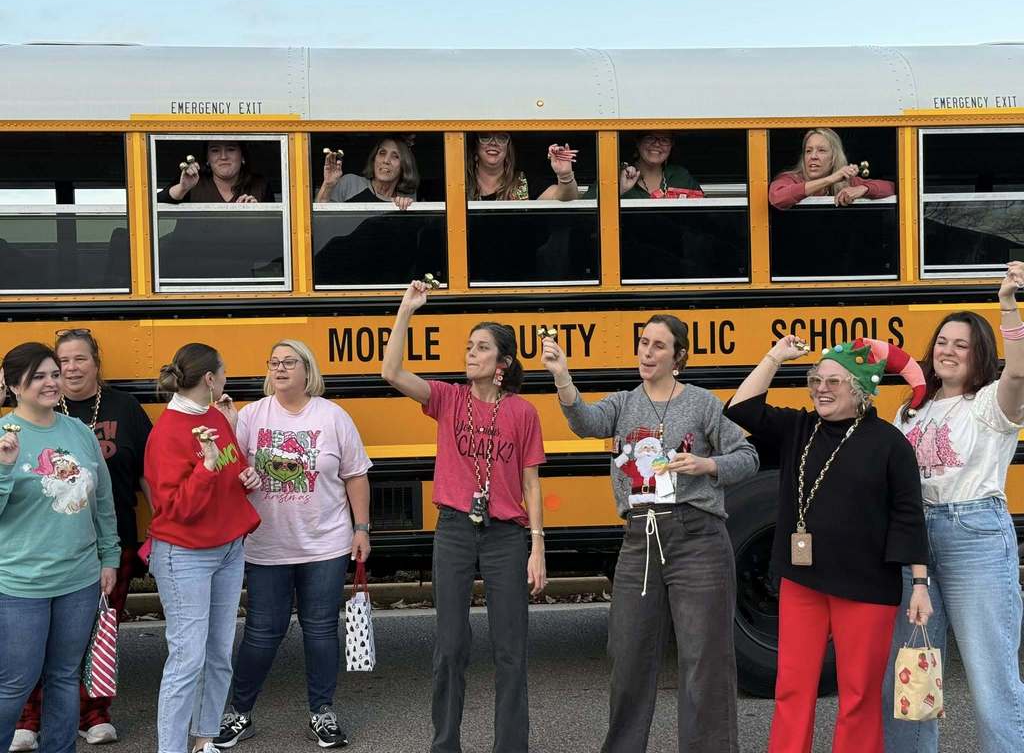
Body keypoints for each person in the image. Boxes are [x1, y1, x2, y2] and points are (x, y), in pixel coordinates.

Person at [542, 314, 757, 753]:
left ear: (679, 356)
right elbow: (584, 421)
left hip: (697, 538)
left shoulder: (702, 404)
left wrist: (707, 464)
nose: (647, 352)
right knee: (628, 656)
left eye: (659, 345)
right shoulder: (623, 404)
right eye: (643, 342)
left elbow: (748, 455)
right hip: (640, 538)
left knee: (704, 661)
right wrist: (562, 375)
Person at [725, 336, 932, 753]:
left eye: (833, 381)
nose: (821, 388)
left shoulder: (890, 443)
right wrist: (774, 357)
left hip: (867, 588)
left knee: (858, 695)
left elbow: (908, 516)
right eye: (816, 380)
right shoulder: (799, 428)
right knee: (792, 687)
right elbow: (740, 408)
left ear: (859, 389)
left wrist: (920, 584)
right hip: (802, 582)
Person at [381, 280, 547, 753]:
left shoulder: (523, 412)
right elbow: (391, 372)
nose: (471, 354)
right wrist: (406, 310)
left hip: (506, 536)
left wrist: (537, 546)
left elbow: (532, 483)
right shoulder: (448, 399)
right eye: (469, 347)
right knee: (450, 646)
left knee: (511, 650)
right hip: (454, 529)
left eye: (482, 348)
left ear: (502, 363)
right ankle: (445, 745)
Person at [882, 263, 1024, 753]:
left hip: (974, 534)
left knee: (990, 677)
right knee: (912, 674)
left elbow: (1018, 371)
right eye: (942, 342)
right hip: (914, 541)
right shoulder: (909, 410)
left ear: (979, 354)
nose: (947, 350)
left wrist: (1007, 305)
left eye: (961, 345)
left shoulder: (990, 404)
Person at [213, 339, 372, 750]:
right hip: (266, 544)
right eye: (274, 362)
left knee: (320, 630)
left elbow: (355, 475)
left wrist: (361, 528)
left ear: (307, 370)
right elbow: (228, 469)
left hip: (326, 544)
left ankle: (322, 713)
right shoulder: (252, 415)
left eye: (289, 361)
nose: (280, 368)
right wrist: (227, 427)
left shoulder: (333, 416)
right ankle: (239, 713)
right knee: (262, 632)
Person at [9, 330, 152, 751]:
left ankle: (87, 721)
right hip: (27, 569)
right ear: (16, 384)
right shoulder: (14, 430)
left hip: (96, 556)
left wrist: (137, 538)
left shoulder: (107, 416)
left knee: (87, 648)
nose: (63, 374)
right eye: (52, 368)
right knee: (22, 666)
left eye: (75, 362)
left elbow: (133, 481)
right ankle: (24, 721)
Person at [0, 342, 119, 753]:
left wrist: (110, 556)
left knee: (65, 676)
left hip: (79, 578)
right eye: (39, 377)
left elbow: (102, 500)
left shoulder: (79, 432)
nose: (52, 382)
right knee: (16, 681)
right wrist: (4, 469)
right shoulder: (3, 436)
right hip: (20, 583)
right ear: (14, 385)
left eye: (54, 374)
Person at [144, 343, 262, 753]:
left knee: (218, 655)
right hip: (185, 554)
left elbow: (233, 466)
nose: (227, 377)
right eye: (224, 371)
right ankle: (171, 748)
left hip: (227, 546)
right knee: (187, 660)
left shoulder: (214, 416)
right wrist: (208, 468)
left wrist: (246, 476)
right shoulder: (166, 432)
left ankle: (204, 739)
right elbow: (176, 510)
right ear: (210, 379)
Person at [768, 128, 895, 209]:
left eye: (821, 150)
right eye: (808, 151)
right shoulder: (791, 178)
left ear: (834, 157)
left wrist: (863, 189)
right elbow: (777, 197)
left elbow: (891, 187)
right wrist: (831, 179)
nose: (813, 156)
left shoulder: (846, 181)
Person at [466, 132, 578, 201]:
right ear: (475, 147)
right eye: (485, 137)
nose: (494, 143)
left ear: (508, 149)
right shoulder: (461, 184)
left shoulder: (525, 181)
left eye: (502, 138)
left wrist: (565, 175)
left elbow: (566, 198)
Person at [315, 136, 418, 210]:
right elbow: (319, 221)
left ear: (404, 165)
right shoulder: (350, 183)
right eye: (382, 153)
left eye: (395, 156)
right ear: (374, 159)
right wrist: (328, 185)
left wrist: (405, 209)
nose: (386, 160)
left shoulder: (404, 199)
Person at [157, 141, 269, 204]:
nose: (223, 157)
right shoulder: (193, 180)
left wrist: (256, 213)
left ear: (243, 156)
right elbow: (156, 203)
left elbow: (272, 228)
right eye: (215, 150)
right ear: (207, 159)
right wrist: (183, 188)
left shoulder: (259, 185)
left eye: (231, 149)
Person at [619, 132, 703, 199]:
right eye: (650, 138)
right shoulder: (620, 175)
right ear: (638, 142)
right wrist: (621, 190)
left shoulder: (680, 176)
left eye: (664, 140)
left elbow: (704, 211)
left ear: (671, 145)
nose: (657, 144)